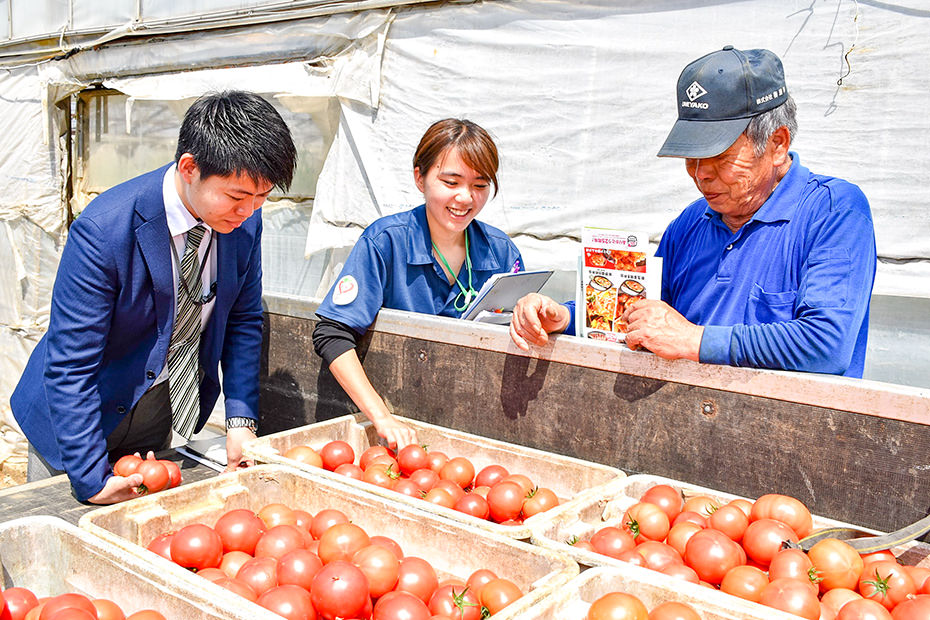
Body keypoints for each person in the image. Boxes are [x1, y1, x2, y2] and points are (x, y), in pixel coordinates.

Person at [510, 46, 876, 378]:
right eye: (691, 158)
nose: (701, 174)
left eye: (720, 157)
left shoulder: (834, 211)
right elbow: (641, 310)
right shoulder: (691, 222)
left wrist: (694, 340)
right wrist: (567, 316)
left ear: (777, 144)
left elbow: (827, 344)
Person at [11, 90, 298, 503]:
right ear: (188, 167)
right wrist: (91, 479)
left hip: (155, 406)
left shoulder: (245, 226)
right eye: (236, 197)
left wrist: (240, 420)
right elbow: (71, 364)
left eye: (262, 197)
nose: (249, 211)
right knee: (64, 520)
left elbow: (242, 320)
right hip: (76, 411)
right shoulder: (104, 230)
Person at [313, 119, 523, 446]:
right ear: (419, 177)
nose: (465, 198)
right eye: (450, 181)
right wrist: (381, 417)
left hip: (470, 427)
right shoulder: (384, 242)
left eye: (480, 186)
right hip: (395, 424)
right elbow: (333, 334)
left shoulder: (501, 251)